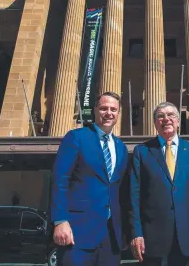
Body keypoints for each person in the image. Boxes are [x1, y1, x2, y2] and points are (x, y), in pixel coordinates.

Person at [50, 92, 129, 266]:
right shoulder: (76, 137)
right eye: (104, 108)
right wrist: (60, 220)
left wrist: (125, 231)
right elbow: (60, 180)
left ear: (118, 113)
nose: (109, 113)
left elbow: (121, 191)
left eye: (113, 109)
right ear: (95, 110)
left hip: (111, 236)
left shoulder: (121, 147)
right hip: (78, 231)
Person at [129, 102, 189, 266]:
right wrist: (135, 233)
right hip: (152, 239)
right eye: (160, 116)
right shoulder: (142, 151)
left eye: (171, 115)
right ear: (155, 123)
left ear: (178, 121)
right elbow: (134, 196)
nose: (166, 119)